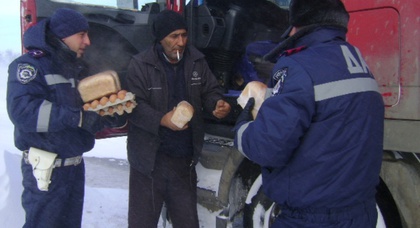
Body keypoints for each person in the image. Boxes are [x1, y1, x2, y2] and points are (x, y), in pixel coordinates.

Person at [234, 0, 384, 227]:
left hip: (312, 218)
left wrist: (243, 127)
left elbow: (267, 147)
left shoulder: (298, 65)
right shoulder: (357, 60)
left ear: (298, 24)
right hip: (361, 212)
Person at [7, 8, 125, 227]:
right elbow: (23, 112)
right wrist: (77, 118)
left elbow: (84, 111)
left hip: (73, 168)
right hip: (46, 171)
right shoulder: (30, 66)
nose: (88, 41)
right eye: (82, 35)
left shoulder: (74, 68)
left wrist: (108, 116)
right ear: (63, 35)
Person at [126, 9, 231, 228]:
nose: (181, 42)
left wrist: (217, 104)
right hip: (149, 162)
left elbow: (210, 90)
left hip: (183, 162)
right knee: (142, 223)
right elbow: (133, 106)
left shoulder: (196, 60)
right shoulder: (140, 64)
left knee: (187, 223)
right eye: (174, 36)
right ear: (160, 38)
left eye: (184, 35)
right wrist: (160, 119)